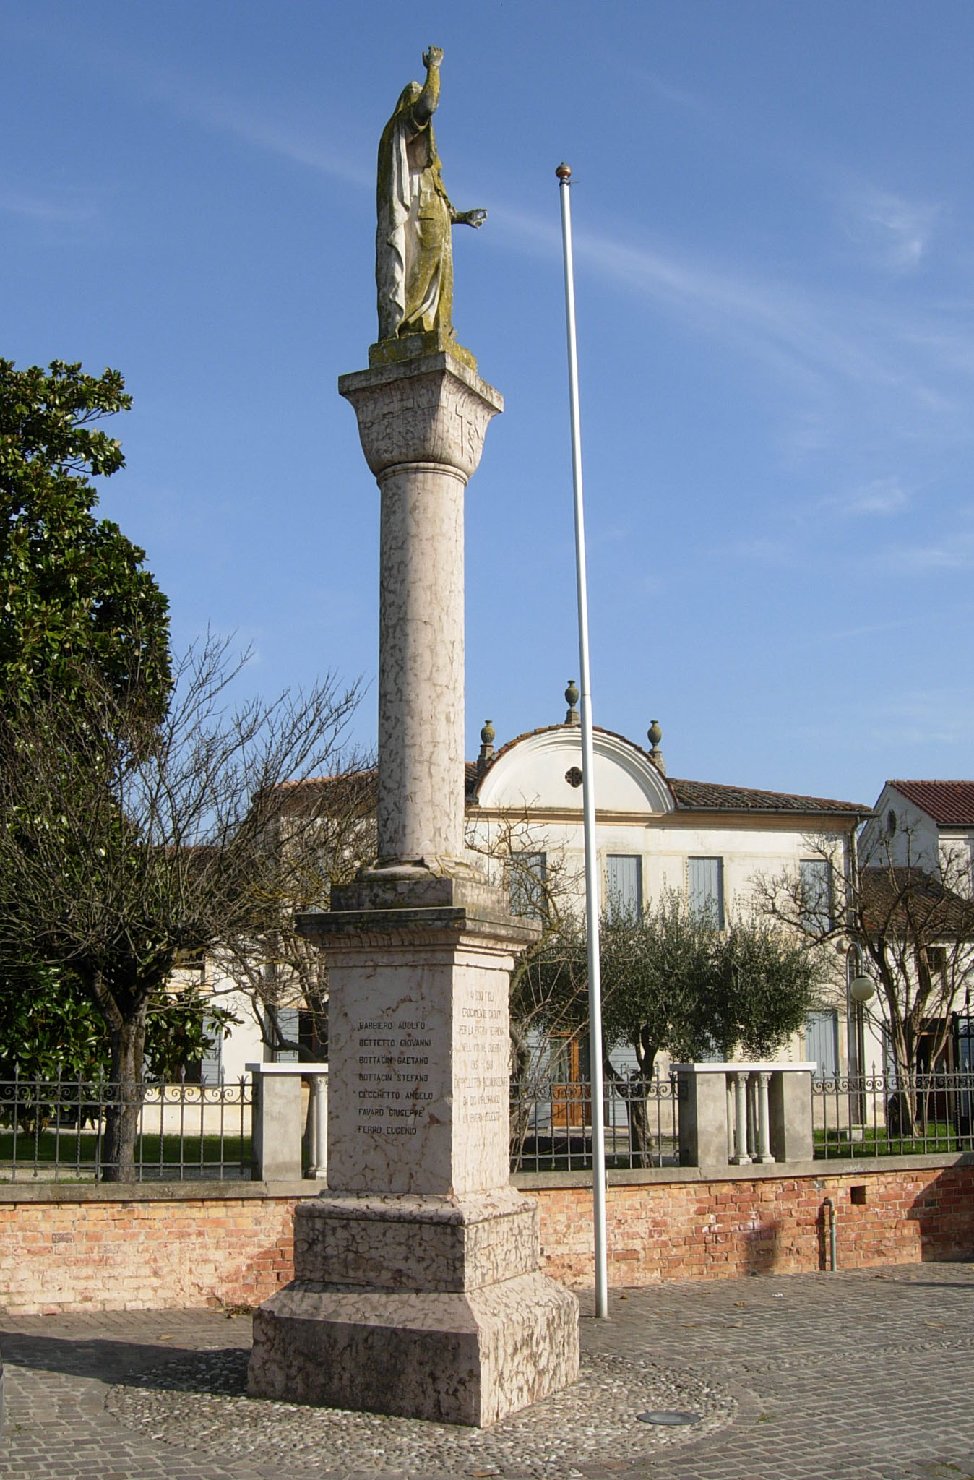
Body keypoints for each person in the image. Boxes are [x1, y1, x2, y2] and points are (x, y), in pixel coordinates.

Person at [375, 46, 486, 343]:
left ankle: (430, 324)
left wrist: (462, 217)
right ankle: (411, 323)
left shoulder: (428, 165)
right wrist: (433, 69)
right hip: (420, 218)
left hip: (436, 218)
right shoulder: (400, 128)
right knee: (418, 275)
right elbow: (428, 104)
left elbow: (442, 198)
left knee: (439, 284)